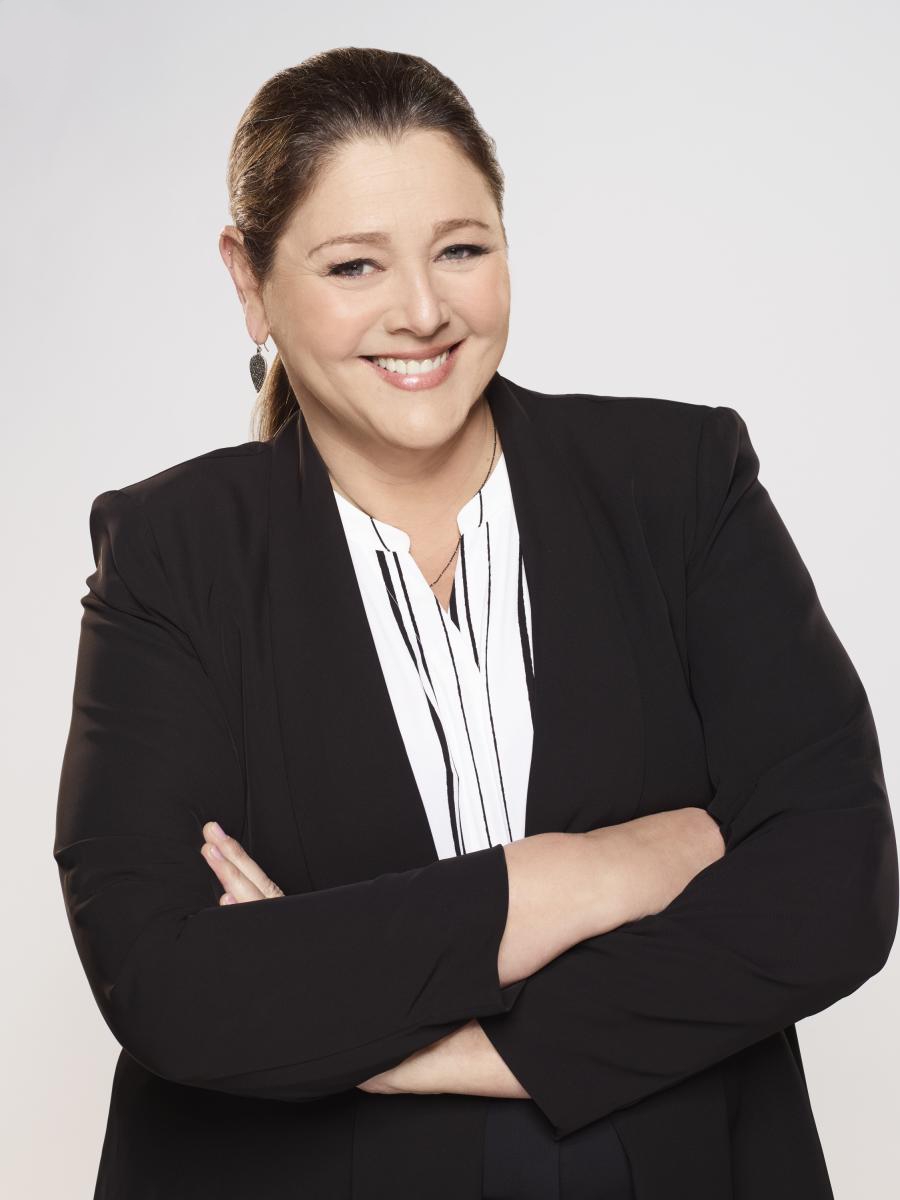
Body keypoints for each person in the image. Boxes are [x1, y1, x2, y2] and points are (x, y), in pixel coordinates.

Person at [54, 47, 897, 1200]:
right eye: (355, 265)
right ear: (248, 281)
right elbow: (171, 981)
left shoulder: (679, 480)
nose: (422, 311)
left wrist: (439, 1045)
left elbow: (836, 885)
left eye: (461, 249)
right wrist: (579, 876)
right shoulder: (171, 553)